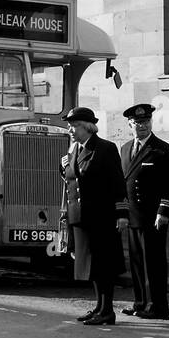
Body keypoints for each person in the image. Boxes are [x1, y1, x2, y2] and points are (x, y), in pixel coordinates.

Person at [59, 107, 129, 326]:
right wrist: (64, 168)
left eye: (74, 125)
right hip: (80, 217)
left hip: (102, 216)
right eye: (70, 125)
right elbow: (73, 180)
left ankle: (107, 310)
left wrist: (122, 214)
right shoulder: (74, 149)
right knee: (91, 264)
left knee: (104, 264)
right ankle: (99, 307)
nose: (71, 129)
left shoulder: (105, 148)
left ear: (87, 127)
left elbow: (118, 183)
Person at [119, 103, 169, 319]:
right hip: (133, 216)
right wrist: (122, 213)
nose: (142, 126)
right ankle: (140, 303)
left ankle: (157, 307)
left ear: (151, 123)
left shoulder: (161, 149)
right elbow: (122, 184)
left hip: (153, 217)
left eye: (145, 122)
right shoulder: (125, 148)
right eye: (137, 122)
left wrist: (164, 211)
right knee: (136, 262)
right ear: (129, 124)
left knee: (153, 264)